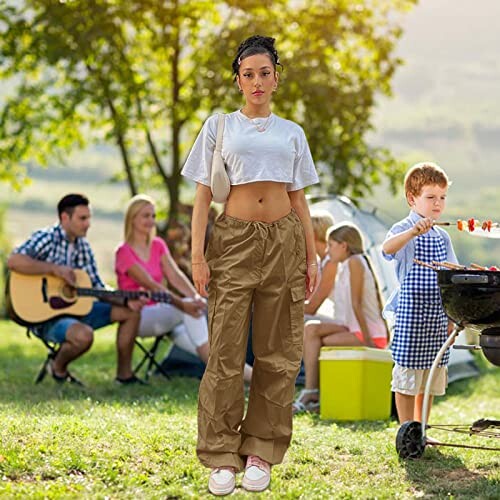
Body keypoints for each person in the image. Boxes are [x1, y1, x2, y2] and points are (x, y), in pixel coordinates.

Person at [182, 35, 319, 495]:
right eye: (248, 74)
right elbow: (203, 194)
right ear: (238, 81)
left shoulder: (293, 132)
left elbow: (299, 196)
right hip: (234, 240)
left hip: (285, 239)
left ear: (276, 78)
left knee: (278, 352)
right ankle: (221, 453)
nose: (257, 81)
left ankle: (260, 448)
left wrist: (313, 253)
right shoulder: (220, 127)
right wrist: (198, 254)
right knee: (224, 349)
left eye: (264, 73)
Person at [7, 193, 145, 385]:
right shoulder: (46, 238)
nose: (88, 223)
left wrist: (124, 299)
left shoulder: (83, 247)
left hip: (78, 309)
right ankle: (58, 367)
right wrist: (54, 269)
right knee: (84, 335)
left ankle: (124, 376)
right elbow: (14, 261)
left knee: (130, 312)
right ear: (65, 217)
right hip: (47, 316)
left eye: (89, 218)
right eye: (82, 218)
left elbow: (97, 287)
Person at [114, 194, 253, 382]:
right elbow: (152, 285)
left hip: (165, 314)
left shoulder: (157, 245)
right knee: (191, 314)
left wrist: (195, 296)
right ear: (132, 219)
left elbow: (175, 276)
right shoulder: (123, 252)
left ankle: (252, 379)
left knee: (198, 337)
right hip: (138, 318)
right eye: (145, 216)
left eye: (153, 216)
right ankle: (226, 377)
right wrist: (185, 303)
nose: (151, 221)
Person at [382, 162, 457, 425]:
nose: (438, 204)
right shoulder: (404, 229)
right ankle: (407, 431)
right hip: (412, 315)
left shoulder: (442, 236)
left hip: (437, 315)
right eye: (431, 197)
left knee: (429, 376)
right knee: (407, 378)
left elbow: (451, 275)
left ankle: (422, 429)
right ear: (412, 199)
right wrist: (412, 232)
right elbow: (387, 249)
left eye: (442, 197)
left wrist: (451, 317)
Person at [293, 222, 389, 414]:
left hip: (367, 332)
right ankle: (312, 391)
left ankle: (313, 392)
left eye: (331, 245)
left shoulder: (355, 262)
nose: (328, 251)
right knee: (311, 330)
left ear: (344, 246)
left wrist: (369, 341)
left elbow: (356, 305)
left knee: (318, 340)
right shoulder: (345, 265)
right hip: (353, 328)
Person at [304, 210, 337, 319]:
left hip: (345, 320)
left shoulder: (332, 262)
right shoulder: (321, 263)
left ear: (313, 234)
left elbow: (312, 308)